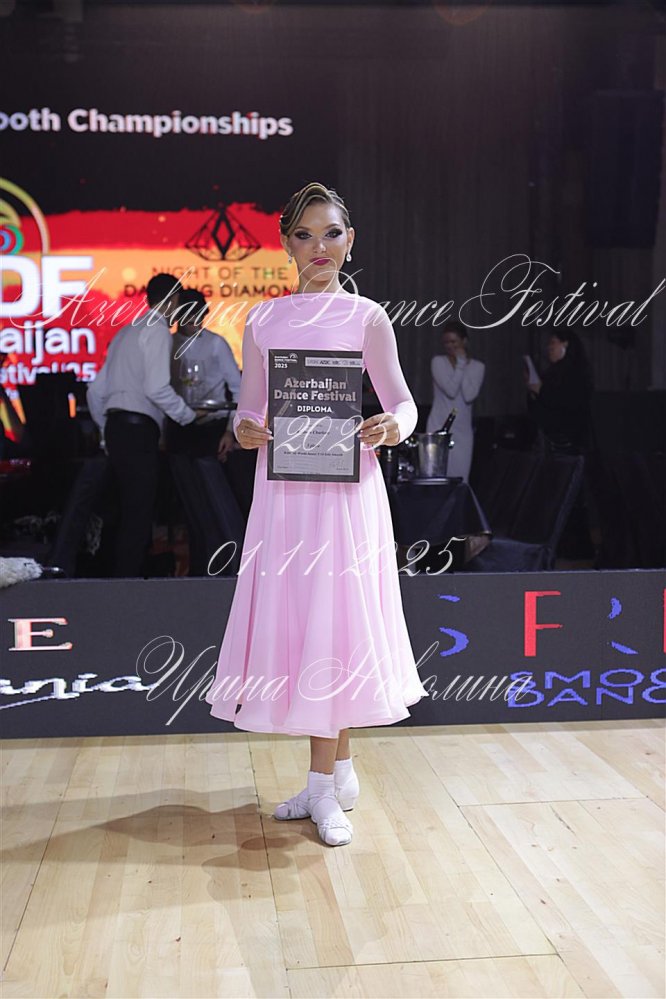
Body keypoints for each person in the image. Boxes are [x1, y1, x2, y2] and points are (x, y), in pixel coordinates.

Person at [204, 182, 429, 847]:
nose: (319, 247)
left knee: (338, 626)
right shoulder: (264, 321)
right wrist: (246, 428)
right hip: (285, 498)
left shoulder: (367, 317)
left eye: (331, 233)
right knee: (314, 627)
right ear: (286, 244)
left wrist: (394, 426)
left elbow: (404, 402)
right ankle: (338, 775)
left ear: (349, 240)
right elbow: (249, 408)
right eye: (304, 235)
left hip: (347, 494)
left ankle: (324, 787)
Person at [87, 273, 209, 577]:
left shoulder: (125, 332)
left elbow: (95, 391)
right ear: (173, 300)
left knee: (125, 510)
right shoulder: (158, 331)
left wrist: (105, 432)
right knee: (139, 513)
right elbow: (156, 389)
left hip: (117, 429)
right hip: (138, 431)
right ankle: (130, 586)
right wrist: (188, 416)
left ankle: (117, 581)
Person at [166, 288, 241, 460]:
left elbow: (238, 388)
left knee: (209, 473)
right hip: (178, 424)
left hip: (213, 424)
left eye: (199, 318)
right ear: (178, 317)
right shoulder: (168, 342)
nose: (196, 324)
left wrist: (230, 431)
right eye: (190, 319)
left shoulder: (216, 343)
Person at [425, 320, 485, 481]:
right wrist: (460, 365)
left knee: (461, 478)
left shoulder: (478, 367)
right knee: (436, 477)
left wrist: (462, 364)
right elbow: (451, 391)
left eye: (454, 341)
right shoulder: (438, 362)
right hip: (438, 425)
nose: (450, 346)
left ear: (464, 341)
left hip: (462, 431)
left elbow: (469, 395)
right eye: (446, 342)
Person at [526, 330, 594, 454]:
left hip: (567, 441)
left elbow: (566, 402)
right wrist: (533, 392)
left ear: (565, 344)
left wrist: (541, 390)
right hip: (548, 439)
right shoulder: (551, 373)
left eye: (553, 342)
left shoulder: (577, 374)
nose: (549, 347)